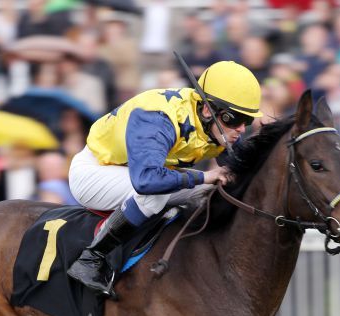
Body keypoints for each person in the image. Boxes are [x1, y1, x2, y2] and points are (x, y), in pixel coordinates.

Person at [67, 61, 263, 295]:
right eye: (235, 119)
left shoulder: (216, 123)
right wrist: (205, 176)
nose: (241, 129)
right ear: (209, 110)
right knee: (156, 196)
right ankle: (91, 259)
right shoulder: (158, 118)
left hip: (133, 173)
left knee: (209, 194)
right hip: (94, 173)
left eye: (247, 121)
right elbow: (147, 181)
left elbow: (241, 169)